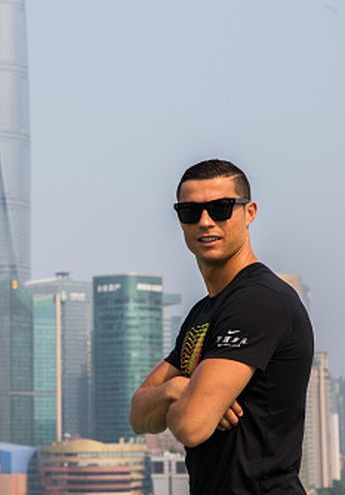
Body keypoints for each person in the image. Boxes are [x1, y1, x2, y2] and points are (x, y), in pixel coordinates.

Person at [129, 159, 313, 494]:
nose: (205, 221)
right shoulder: (205, 312)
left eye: (221, 208)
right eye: (191, 211)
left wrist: (185, 399)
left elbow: (191, 425)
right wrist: (176, 389)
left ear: (249, 212)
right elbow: (139, 414)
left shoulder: (258, 301)